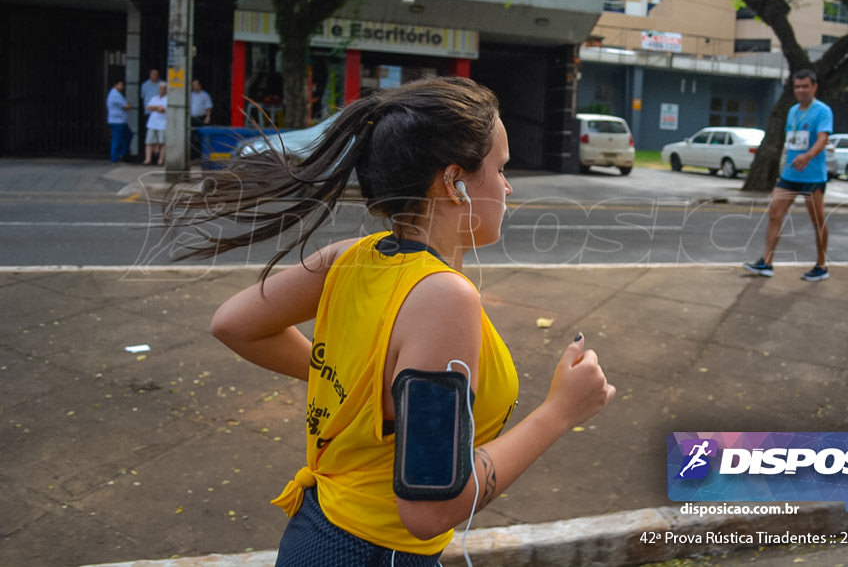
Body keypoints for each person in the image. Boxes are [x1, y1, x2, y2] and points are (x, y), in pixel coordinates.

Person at [166, 77, 615, 566]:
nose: (508, 187)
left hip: (315, 535)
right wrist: (560, 412)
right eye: (501, 169)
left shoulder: (350, 257)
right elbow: (430, 508)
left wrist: (354, 381)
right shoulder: (444, 297)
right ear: (454, 181)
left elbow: (233, 322)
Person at [744, 69, 833, 281]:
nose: (801, 90)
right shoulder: (792, 111)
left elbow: (823, 139)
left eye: (805, 86)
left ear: (814, 87)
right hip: (790, 176)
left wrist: (808, 156)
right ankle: (766, 262)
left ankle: (821, 266)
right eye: (797, 86)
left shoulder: (822, 111)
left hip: (812, 177)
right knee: (775, 213)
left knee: (817, 220)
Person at [106, 80, 133, 163]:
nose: (122, 87)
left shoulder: (114, 94)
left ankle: (122, 153)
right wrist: (128, 106)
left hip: (119, 120)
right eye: (120, 85)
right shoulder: (115, 95)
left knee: (127, 135)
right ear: (115, 85)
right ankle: (116, 157)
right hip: (118, 120)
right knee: (117, 139)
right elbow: (126, 106)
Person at [144, 82, 168, 166]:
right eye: (160, 88)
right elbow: (148, 107)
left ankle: (160, 160)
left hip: (163, 123)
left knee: (162, 142)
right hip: (152, 123)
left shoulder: (168, 99)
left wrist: (155, 107)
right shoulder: (154, 98)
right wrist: (157, 107)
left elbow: (162, 109)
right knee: (149, 142)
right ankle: (148, 159)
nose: (161, 90)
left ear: (166, 89)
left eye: (163, 88)